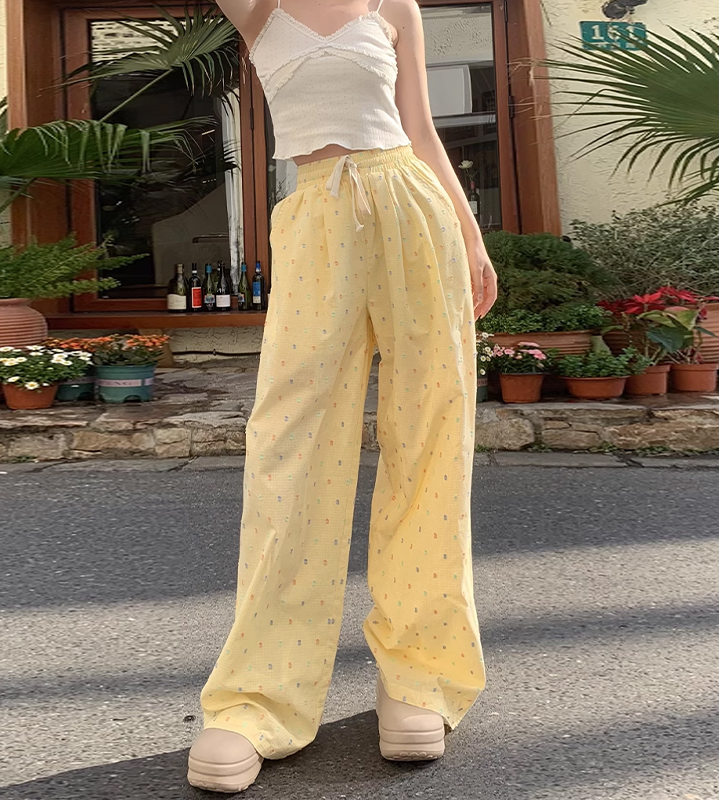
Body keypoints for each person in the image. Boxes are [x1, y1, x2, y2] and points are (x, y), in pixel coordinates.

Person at [188, 0, 498, 792]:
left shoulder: (393, 6)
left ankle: (420, 673)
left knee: (430, 435)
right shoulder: (255, 8)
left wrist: (471, 237)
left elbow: (420, 129)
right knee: (290, 449)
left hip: (415, 208)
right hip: (316, 217)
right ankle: (259, 697)